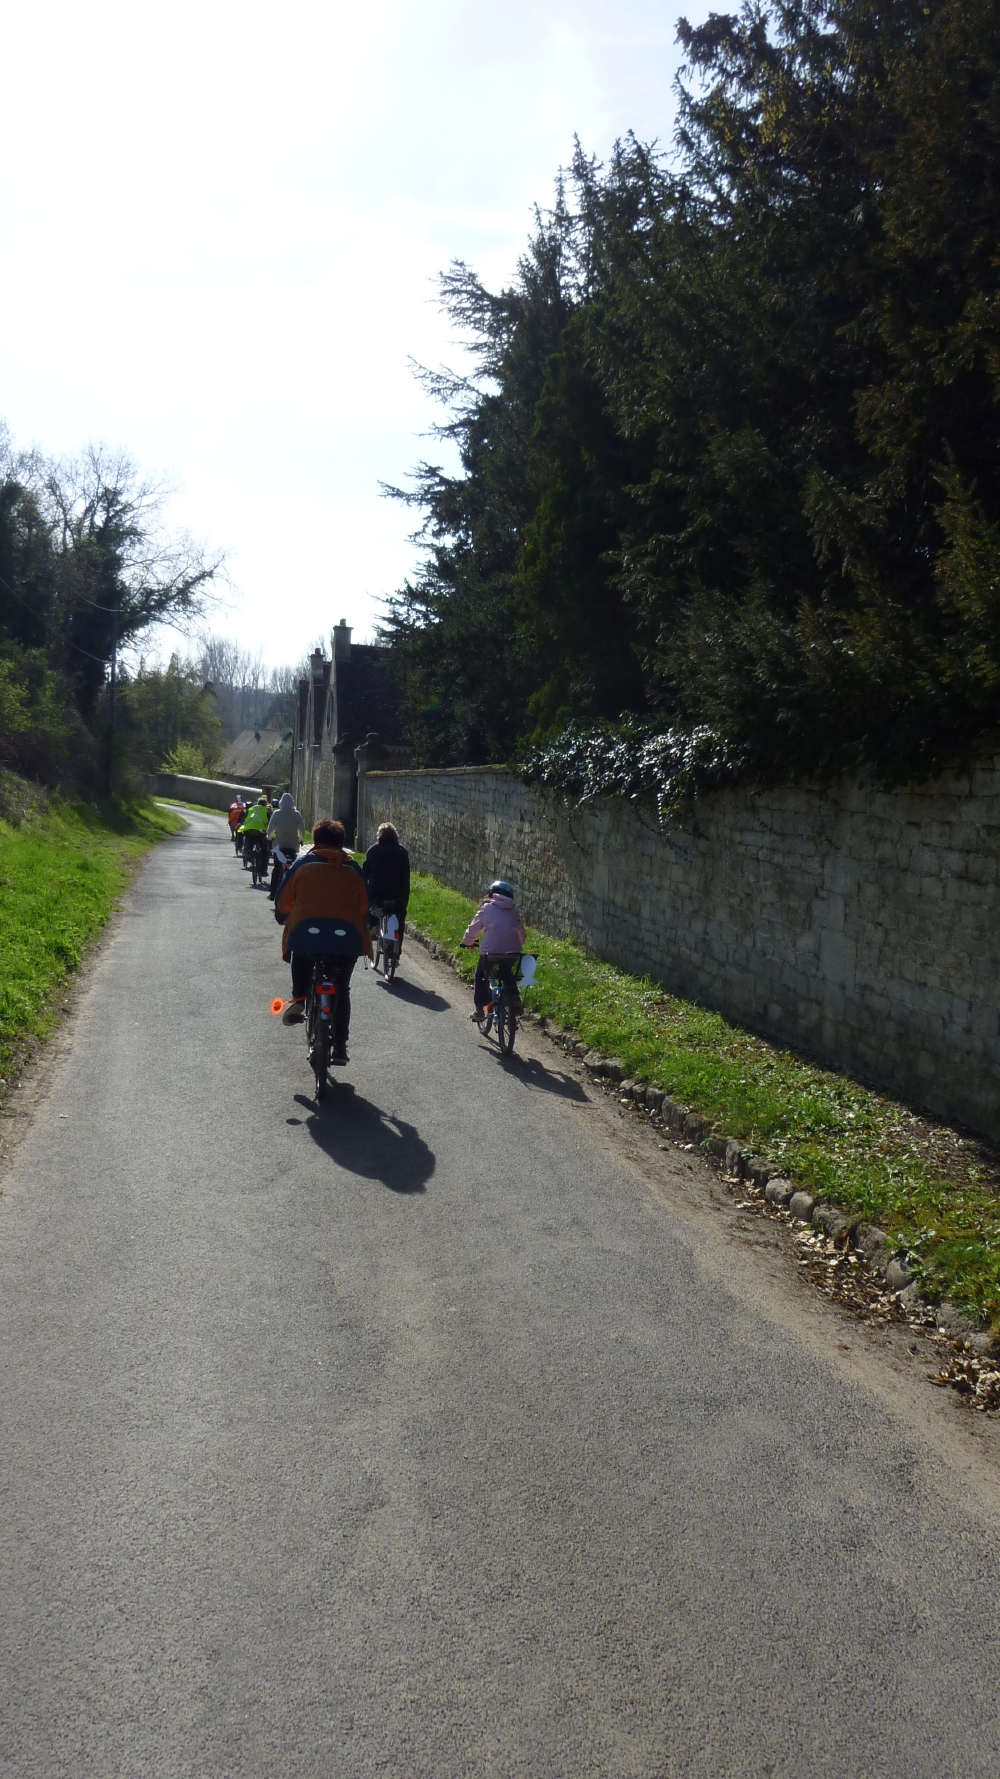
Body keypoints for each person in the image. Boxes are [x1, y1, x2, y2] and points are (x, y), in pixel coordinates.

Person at [275, 818, 372, 1061]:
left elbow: (283, 900)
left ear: (316, 841)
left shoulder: (302, 864)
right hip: (346, 940)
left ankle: (299, 997)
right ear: (341, 844)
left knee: (302, 954)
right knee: (342, 989)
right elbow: (364, 906)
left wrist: (283, 914)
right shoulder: (353, 868)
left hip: (307, 936)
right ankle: (340, 1046)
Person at [460, 880, 526, 1019]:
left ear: (492, 894)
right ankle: (514, 999)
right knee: (506, 972)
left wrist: (467, 942)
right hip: (513, 953)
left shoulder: (487, 908)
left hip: (491, 953)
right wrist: (517, 945)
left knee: (481, 976)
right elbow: (522, 934)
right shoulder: (515, 912)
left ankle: (479, 1011)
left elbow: (474, 928)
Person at [362, 821, 411, 953]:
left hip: (378, 892)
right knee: (400, 916)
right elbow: (406, 875)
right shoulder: (402, 851)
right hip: (398, 893)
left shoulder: (373, 850)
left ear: (379, 835)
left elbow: (364, 873)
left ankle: (373, 924)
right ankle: (397, 953)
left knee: (368, 903)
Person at [266, 791, 305, 898]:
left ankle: (273, 892)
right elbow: (302, 830)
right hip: (293, 845)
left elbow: (270, 830)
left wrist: (269, 837)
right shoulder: (297, 814)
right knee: (293, 868)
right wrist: (300, 839)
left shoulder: (277, 813)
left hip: (279, 845)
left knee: (277, 868)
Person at [238, 794, 271, 876]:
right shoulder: (266, 811)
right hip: (260, 832)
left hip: (249, 830)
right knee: (265, 851)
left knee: (249, 840)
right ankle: (263, 870)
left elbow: (244, 819)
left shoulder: (251, 809)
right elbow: (270, 823)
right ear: (265, 804)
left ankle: (248, 851)